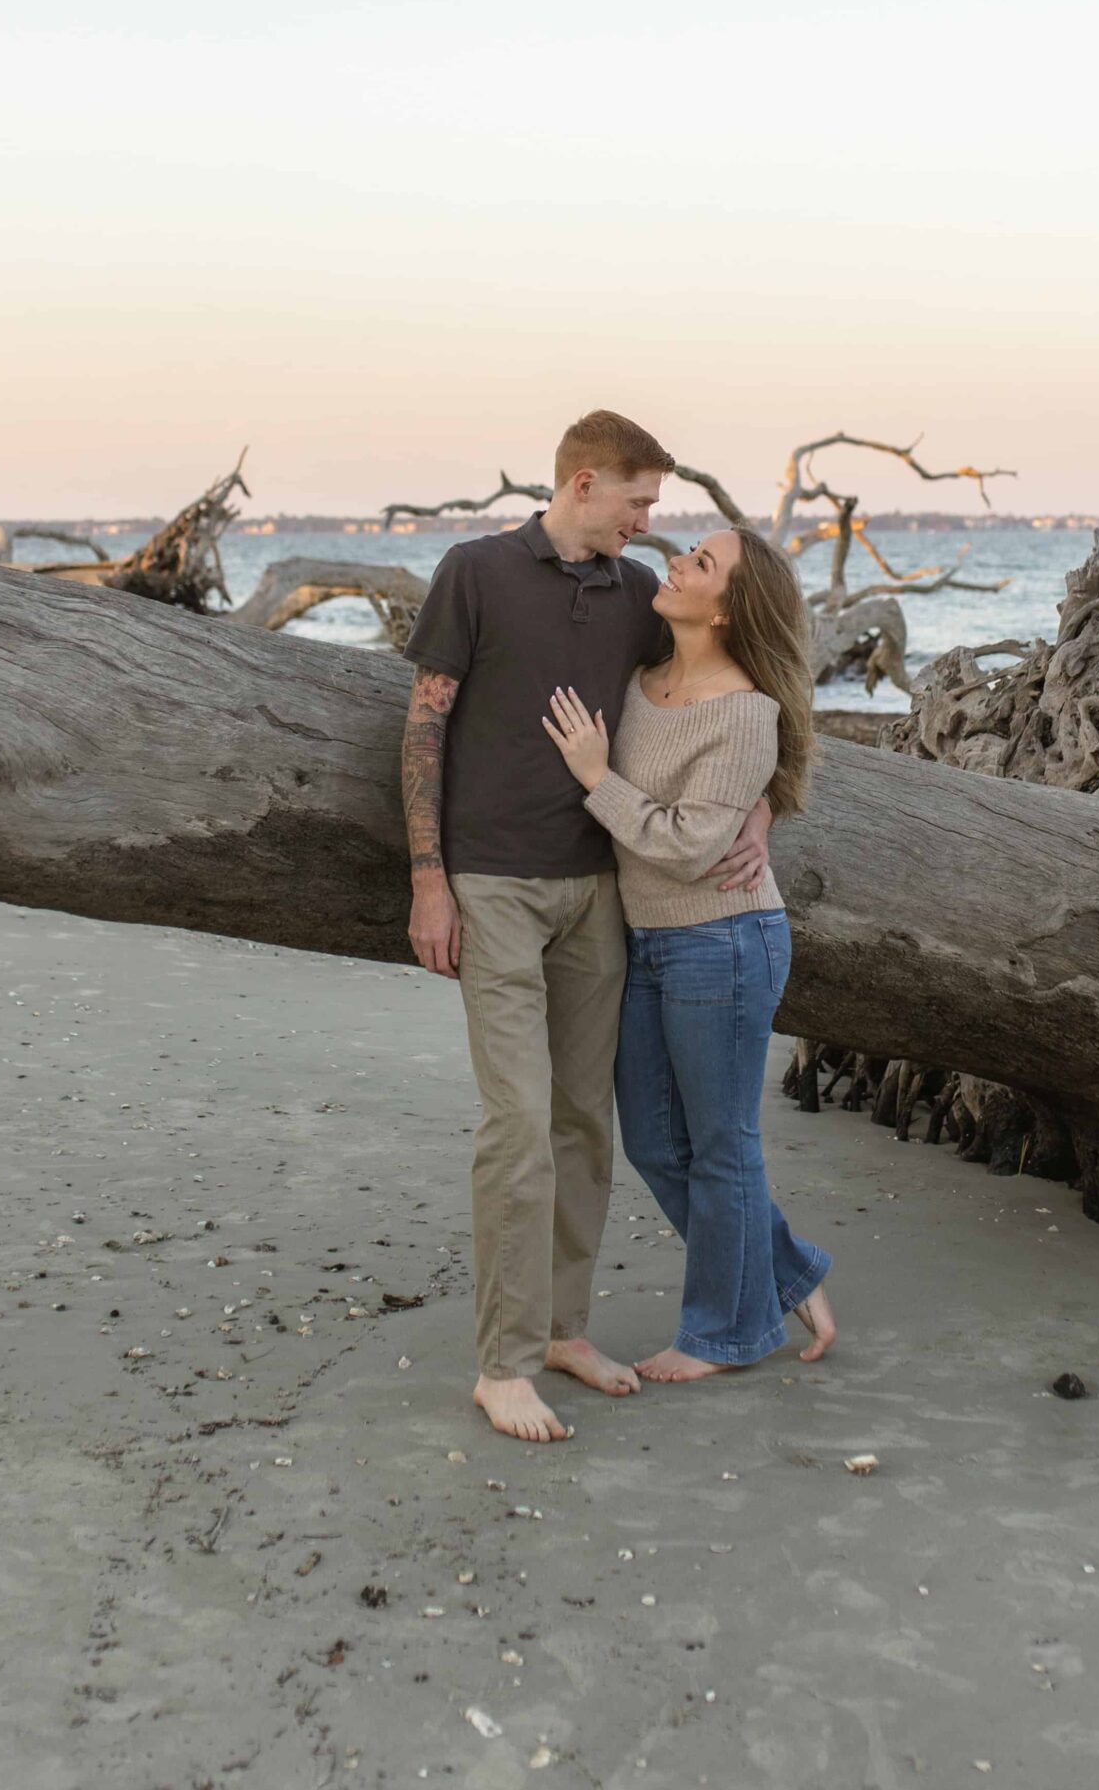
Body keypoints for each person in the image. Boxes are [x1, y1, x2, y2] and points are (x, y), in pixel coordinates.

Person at [400, 412, 773, 1443]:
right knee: (517, 1129)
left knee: (581, 1128)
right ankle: (503, 1363)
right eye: (638, 501)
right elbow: (425, 723)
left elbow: (734, 682)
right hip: (494, 887)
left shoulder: (637, 599)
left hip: (600, 894)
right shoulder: (474, 572)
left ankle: (562, 1326)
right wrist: (430, 879)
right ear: (581, 483)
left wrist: (761, 803)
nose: (651, 522)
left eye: (657, 508)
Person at [542, 522, 835, 1379]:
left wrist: (598, 778)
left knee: (721, 1143)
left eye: (700, 563)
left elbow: (687, 847)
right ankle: (784, 1271)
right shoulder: (642, 675)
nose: (674, 561)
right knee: (656, 1144)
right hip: (650, 941)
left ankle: (725, 1335)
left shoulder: (747, 713)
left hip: (727, 942)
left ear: (728, 609)